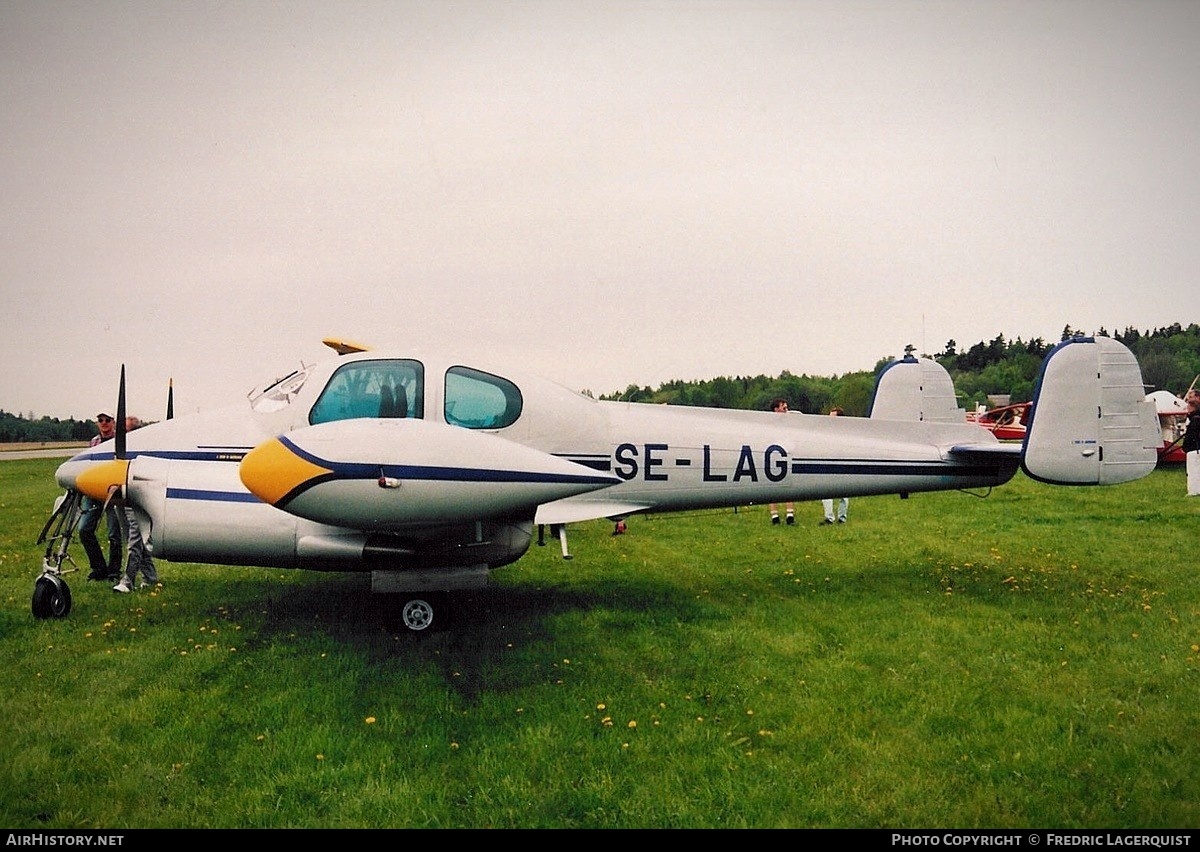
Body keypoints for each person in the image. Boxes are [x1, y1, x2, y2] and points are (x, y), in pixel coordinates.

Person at [114, 417, 160, 593]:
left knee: (134, 541)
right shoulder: (121, 450)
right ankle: (150, 577)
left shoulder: (143, 452)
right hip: (122, 499)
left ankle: (127, 581)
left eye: (126, 432)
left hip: (136, 500)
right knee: (136, 539)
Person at [78, 413, 123, 580]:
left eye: (107, 420)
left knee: (114, 533)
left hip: (112, 492)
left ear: (113, 423)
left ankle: (114, 571)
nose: (104, 423)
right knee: (84, 529)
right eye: (100, 420)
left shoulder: (120, 441)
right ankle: (98, 568)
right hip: (93, 491)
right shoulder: (94, 442)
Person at [767, 398, 795, 525]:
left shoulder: (788, 423)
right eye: (784, 408)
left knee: (788, 484)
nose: (786, 410)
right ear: (776, 409)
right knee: (772, 486)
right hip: (772, 457)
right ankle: (775, 516)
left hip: (786, 455)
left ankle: (790, 514)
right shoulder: (769, 424)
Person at [821, 408, 849, 524]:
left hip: (843, 463)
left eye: (833, 416)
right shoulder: (826, 433)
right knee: (825, 491)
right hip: (829, 462)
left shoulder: (845, 434)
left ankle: (842, 517)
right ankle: (829, 517)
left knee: (844, 492)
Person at [1184, 388, 1200, 497]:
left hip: (1194, 449)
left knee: (1193, 471)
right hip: (1196, 448)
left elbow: (1192, 435)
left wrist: (1187, 446)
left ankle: (1193, 491)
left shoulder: (1195, 419)